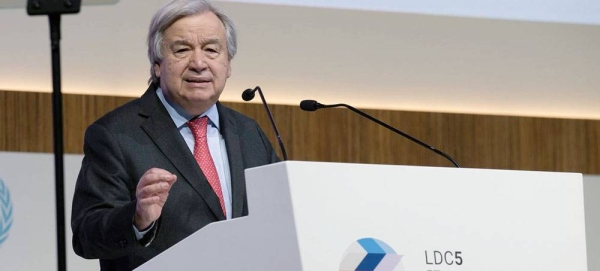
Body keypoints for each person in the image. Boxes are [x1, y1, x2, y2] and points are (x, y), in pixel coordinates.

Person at [70, 0, 279, 270]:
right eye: (182, 50)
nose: (199, 63)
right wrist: (136, 219)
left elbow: (276, 215)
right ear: (157, 64)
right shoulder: (115, 135)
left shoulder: (250, 133)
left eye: (212, 50)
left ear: (228, 64)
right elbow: (86, 236)